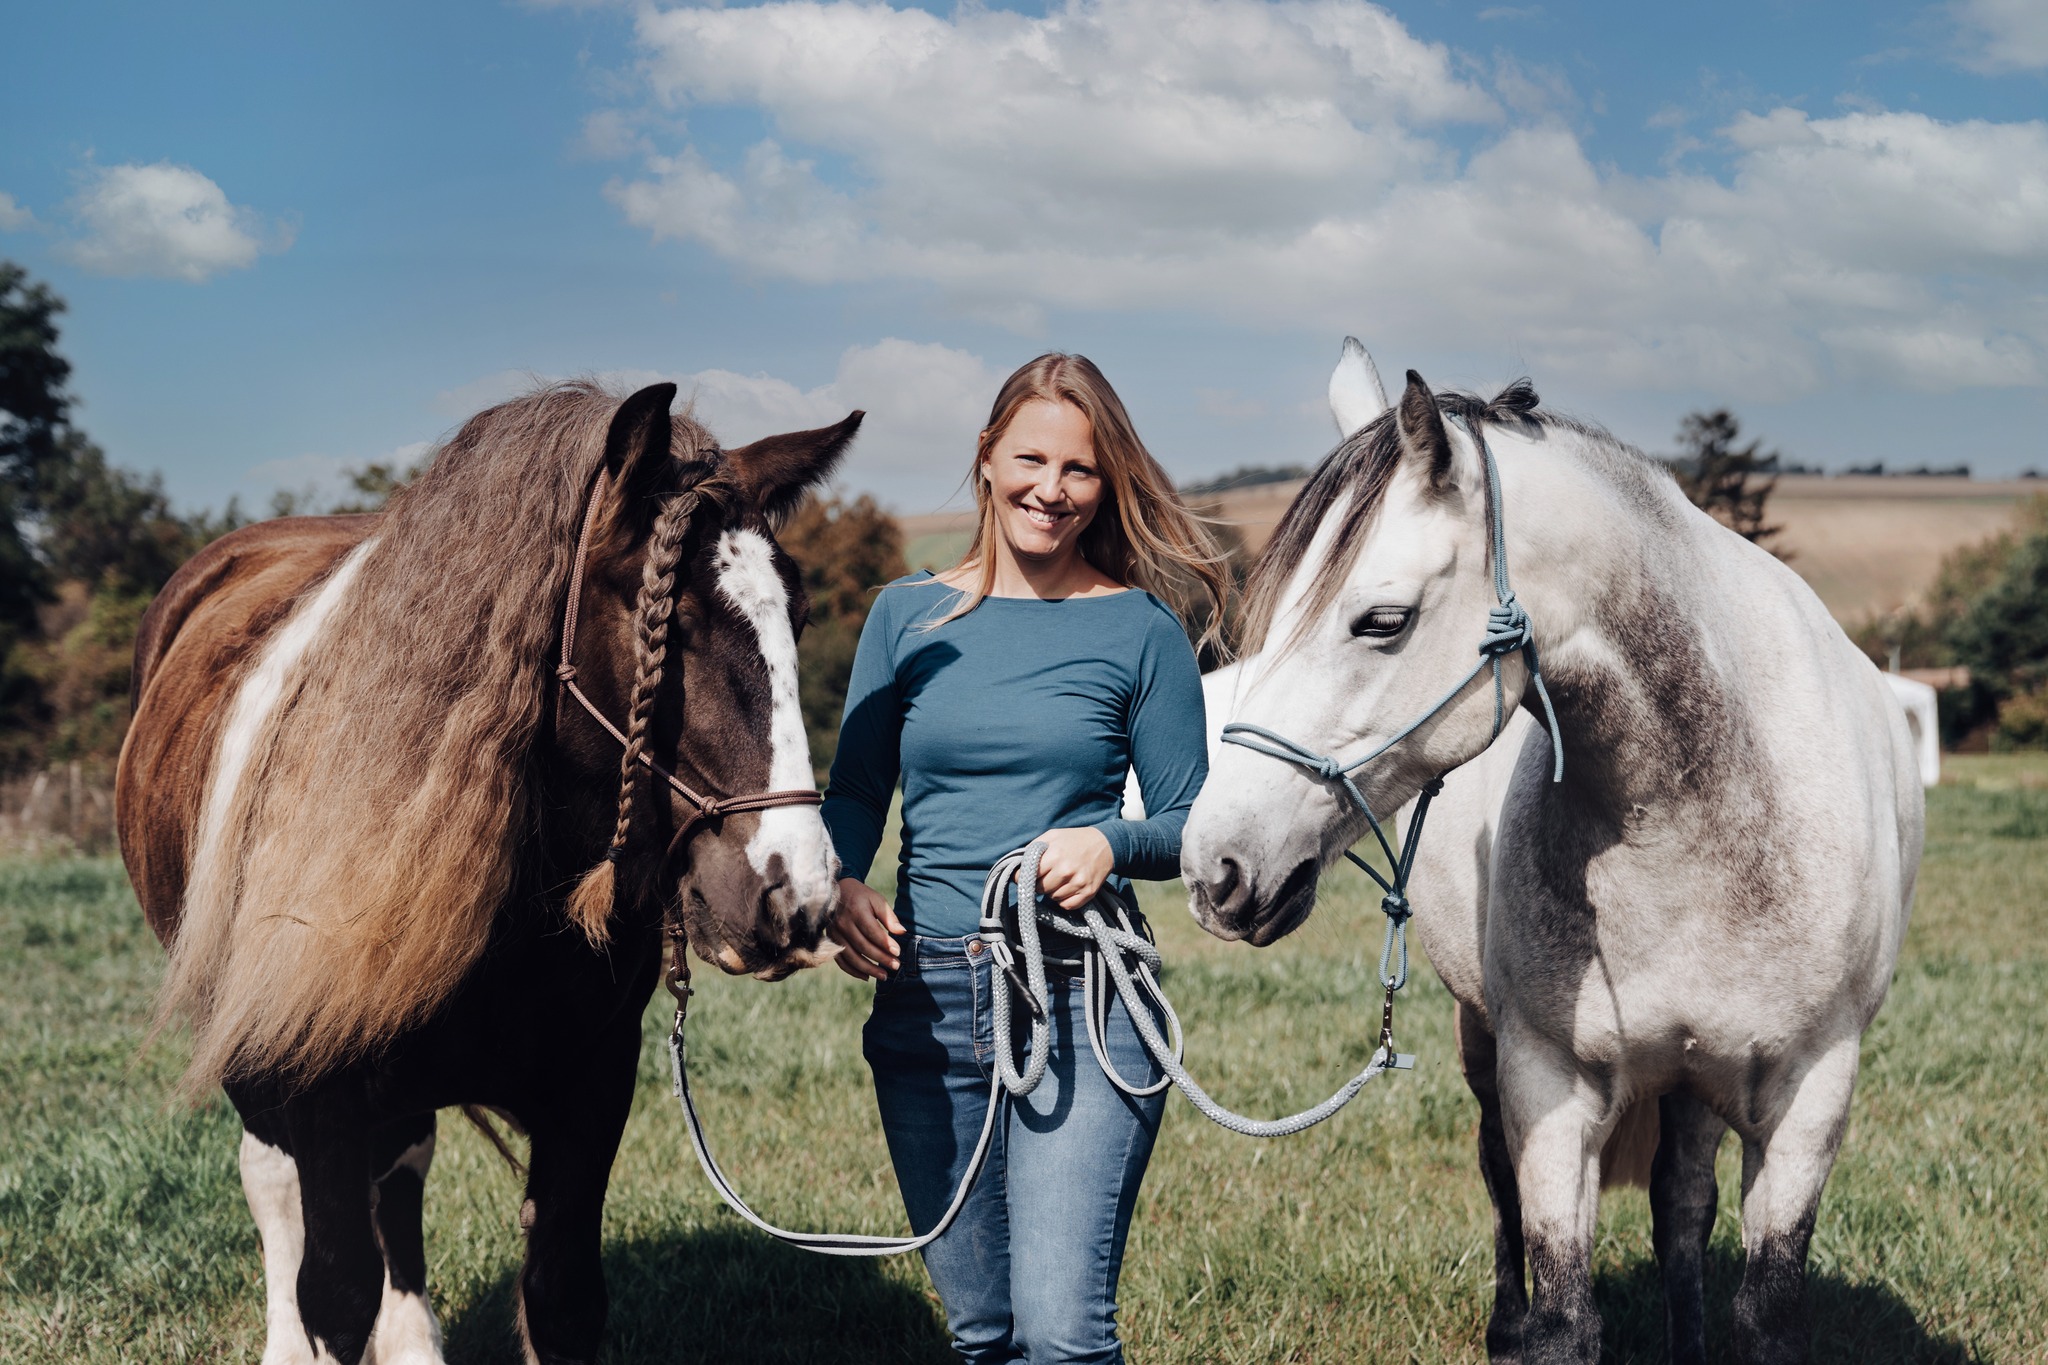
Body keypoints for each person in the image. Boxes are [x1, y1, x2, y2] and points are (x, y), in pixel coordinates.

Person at [822, 353, 1227, 1364]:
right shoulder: (902, 618)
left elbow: (1191, 822)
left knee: (1061, 1336)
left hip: (1082, 1002)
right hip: (925, 1008)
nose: (1051, 488)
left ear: (1106, 484)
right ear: (986, 460)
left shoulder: (1141, 631)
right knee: (983, 1332)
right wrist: (836, 883)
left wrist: (1110, 840)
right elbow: (858, 792)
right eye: (1030, 459)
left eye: (1078, 469)